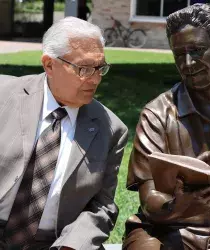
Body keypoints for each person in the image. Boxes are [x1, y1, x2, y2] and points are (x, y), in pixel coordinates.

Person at [123, 4, 210, 250]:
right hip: (171, 229)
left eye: (197, 50)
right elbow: (149, 200)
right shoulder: (157, 114)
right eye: (179, 54)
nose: (188, 63)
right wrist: (186, 203)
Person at [0, 17, 128, 250]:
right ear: (49, 65)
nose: (95, 79)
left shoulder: (111, 129)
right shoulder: (4, 96)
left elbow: (102, 206)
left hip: (56, 243)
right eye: (84, 69)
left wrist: (71, 246)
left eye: (100, 68)